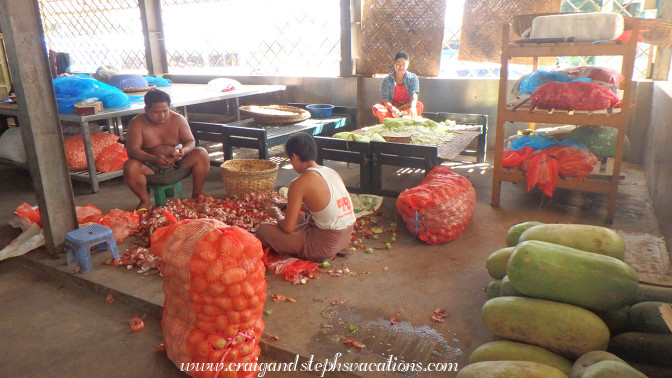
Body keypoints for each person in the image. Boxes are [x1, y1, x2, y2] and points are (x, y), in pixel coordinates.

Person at [255, 133, 356, 262]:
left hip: (323, 246)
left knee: (264, 230)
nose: (291, 164)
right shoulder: (331, 171)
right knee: (302, 217)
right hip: (345, 237)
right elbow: (326, 208)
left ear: (295, 157)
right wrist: (295, 207)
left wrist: (276, 214)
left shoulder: (299, 182)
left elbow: (288, 228)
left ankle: (315, 252)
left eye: (290, 160)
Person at [123, 88, 210, 212]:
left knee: (201, 153)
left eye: (165, 111)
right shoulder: (137, 123)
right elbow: (132, 151)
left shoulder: (178, 119)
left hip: (177, 165)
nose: (162, 115)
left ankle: (197, 194)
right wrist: (153, 158)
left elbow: (190, 141)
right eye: (156, 112)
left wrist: (182, 151)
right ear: (146, 109)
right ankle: (145, 201)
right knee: (130, 166)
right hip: (150, 169)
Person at [372, 51, 424, 123]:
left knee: (419, 105)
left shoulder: (413, 77)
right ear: (394, 64)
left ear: (408, 64)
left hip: (407, 107)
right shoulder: (387, 80)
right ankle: (393, 121)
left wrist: (412, 107)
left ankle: (400, 120)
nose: (401, 67)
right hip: (391, 109)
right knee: (377, 108)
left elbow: (414, 93)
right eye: (398, 64)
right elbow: (385, 99)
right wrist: (392, 108)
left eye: (404, 64)